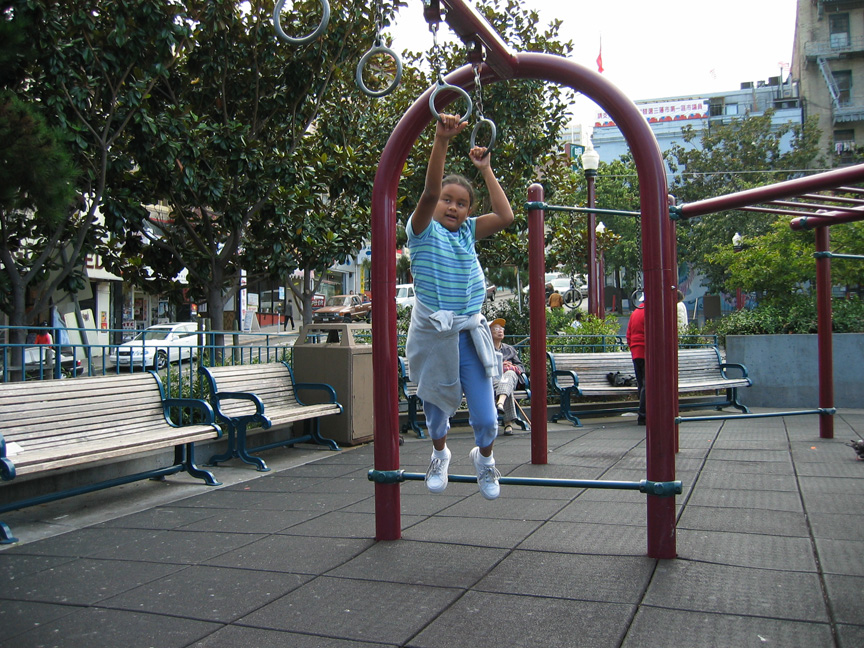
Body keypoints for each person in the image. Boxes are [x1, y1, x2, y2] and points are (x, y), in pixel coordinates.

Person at [405, 113, 514, 500]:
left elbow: (505, 216)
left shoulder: (467, 231)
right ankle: (440, 454)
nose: (453, 207)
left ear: (469, 211)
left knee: (486, 419)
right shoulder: (421, 231)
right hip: (435, 336)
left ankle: (484, 460)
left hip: (467, 334)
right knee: (437, 416)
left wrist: (485, 169)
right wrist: (441, 140)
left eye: (463, 204)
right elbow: (429, 194)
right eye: (449, 201)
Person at [489, 318, 525, 435]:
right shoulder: (486, 349)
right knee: (505, 385)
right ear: (489, 332)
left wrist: (512, 366)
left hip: (510, 378)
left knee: (509, 375)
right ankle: (508, 423)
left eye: (501, 328)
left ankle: (500, 403)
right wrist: (499, 365)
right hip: (493, 380)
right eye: (496, 329)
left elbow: (521, 367)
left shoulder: (509, 349)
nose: (500, 331)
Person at [626, 299, 646, 425]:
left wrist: (633, 347)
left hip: (636, 351)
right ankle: (643, 415)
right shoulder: (651, 312)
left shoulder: (636, 312)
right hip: (647, 351)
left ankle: (644, 412)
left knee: (641, 384)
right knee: (648, 385)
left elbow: (629, 334)